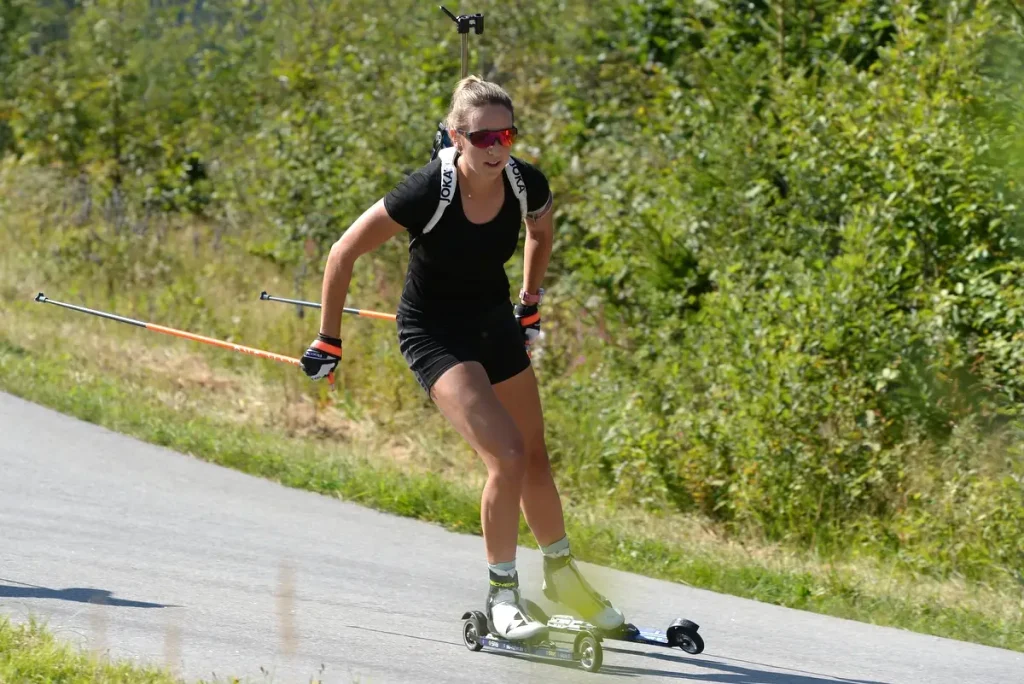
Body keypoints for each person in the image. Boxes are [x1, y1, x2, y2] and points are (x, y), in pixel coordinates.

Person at [298, 76, 625, 640]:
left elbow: (541, 234)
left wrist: (530, 302)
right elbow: (342, 251)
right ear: (456, 136)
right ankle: (503, 596)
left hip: (494, 323)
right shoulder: (429, 189)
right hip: (433, 332)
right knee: (507, 455)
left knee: (536, 457)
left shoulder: (524, 182)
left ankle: (562, 577)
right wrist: (329, 338)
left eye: (507, 134)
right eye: (482, 138)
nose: (497, 148)